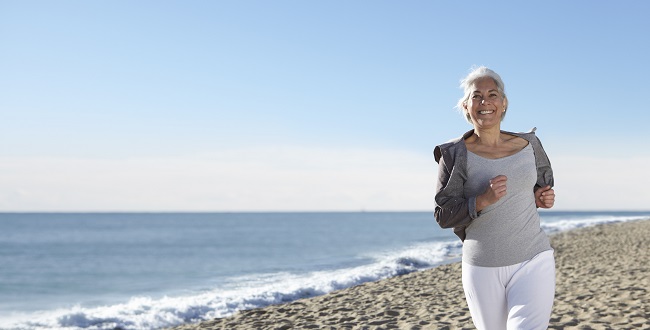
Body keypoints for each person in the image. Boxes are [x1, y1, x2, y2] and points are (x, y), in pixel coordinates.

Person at [433, 66, 556, 330]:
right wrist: (481, 201)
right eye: (476, 96)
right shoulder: (453, 155)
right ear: (466, 107)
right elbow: (442, 215)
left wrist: (541, 196)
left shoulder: (529, 145)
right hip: (482, 266)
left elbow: (540, 187)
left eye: (492, 94)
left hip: (533, 258)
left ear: (503, 104)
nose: (485, 102)